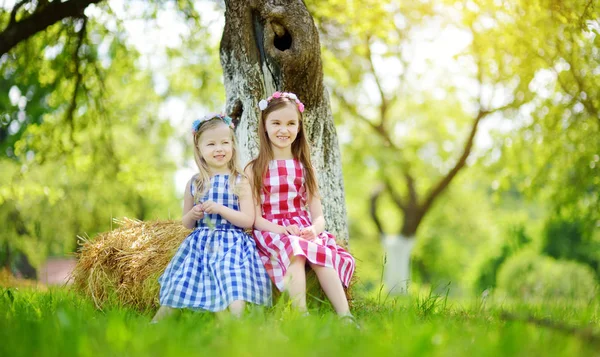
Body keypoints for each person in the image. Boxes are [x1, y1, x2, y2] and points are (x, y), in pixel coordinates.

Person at [152, 113, 271, 323]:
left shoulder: (240, 181)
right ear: (199, 149)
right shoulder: (195, 182)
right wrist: (193, 214)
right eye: (211, 144)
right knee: (181, 280)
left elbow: (247, 220)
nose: (219, 149)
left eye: (225, 143)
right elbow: (186, 224)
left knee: (233, 281)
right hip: (200, 245)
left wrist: (220, 209)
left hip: (232, 244)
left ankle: (235, 323)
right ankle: (158, 322)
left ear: (233, 145)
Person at [248, 92, 355, 320]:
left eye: (290, 123)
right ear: (264, 126)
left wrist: (314, 231)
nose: (283, 130)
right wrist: (281, 230)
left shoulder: (305, 168)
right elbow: (255, 219)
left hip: (302, 229)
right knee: (295, 251)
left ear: (298, 128)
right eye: (276, 123)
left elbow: (318, 216)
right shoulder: (254, 168)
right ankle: (301, 314)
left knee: (320, 254)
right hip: (272, 230)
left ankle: (345, 316)